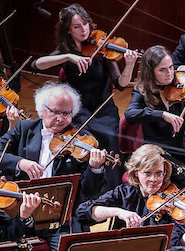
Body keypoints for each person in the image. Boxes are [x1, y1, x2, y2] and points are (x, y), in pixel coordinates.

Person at [0, 82, 111, 251]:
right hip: (20, 212)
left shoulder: (82, 139)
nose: (61, 119)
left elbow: (89, 192)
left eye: (66, 113)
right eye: (55, 112)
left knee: (68, 247)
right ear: (42, 110)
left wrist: (95, 168)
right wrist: (20, 162)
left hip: (58, 216)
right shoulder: (24, 130)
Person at [33, 4, 137, 152]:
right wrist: (69, 57)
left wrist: (130, 65)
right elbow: (36, 65)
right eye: (77, 26)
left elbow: (121, 84)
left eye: (85, 23)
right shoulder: (66, 54)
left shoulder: (103, 50)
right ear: (68, 30)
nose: (84, 30)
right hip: (80, 110)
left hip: (105, 108)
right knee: (90, 137)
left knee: (112, 137)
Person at [76, 143, 185, 250]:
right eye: (147, 173)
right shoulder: (125, 193)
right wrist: (118, 212)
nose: (154, 179)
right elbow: (83, 213)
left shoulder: (174, 204)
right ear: (136, 173)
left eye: (159, 173)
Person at [125, 44, 185, 153]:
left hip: (179, 153)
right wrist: (162, 114)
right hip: (154, 155)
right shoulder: (142, 91)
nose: (169, 73)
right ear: (150, 72)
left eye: (171, 67)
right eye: (162, 70)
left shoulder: (182, 90)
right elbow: (130, 114)